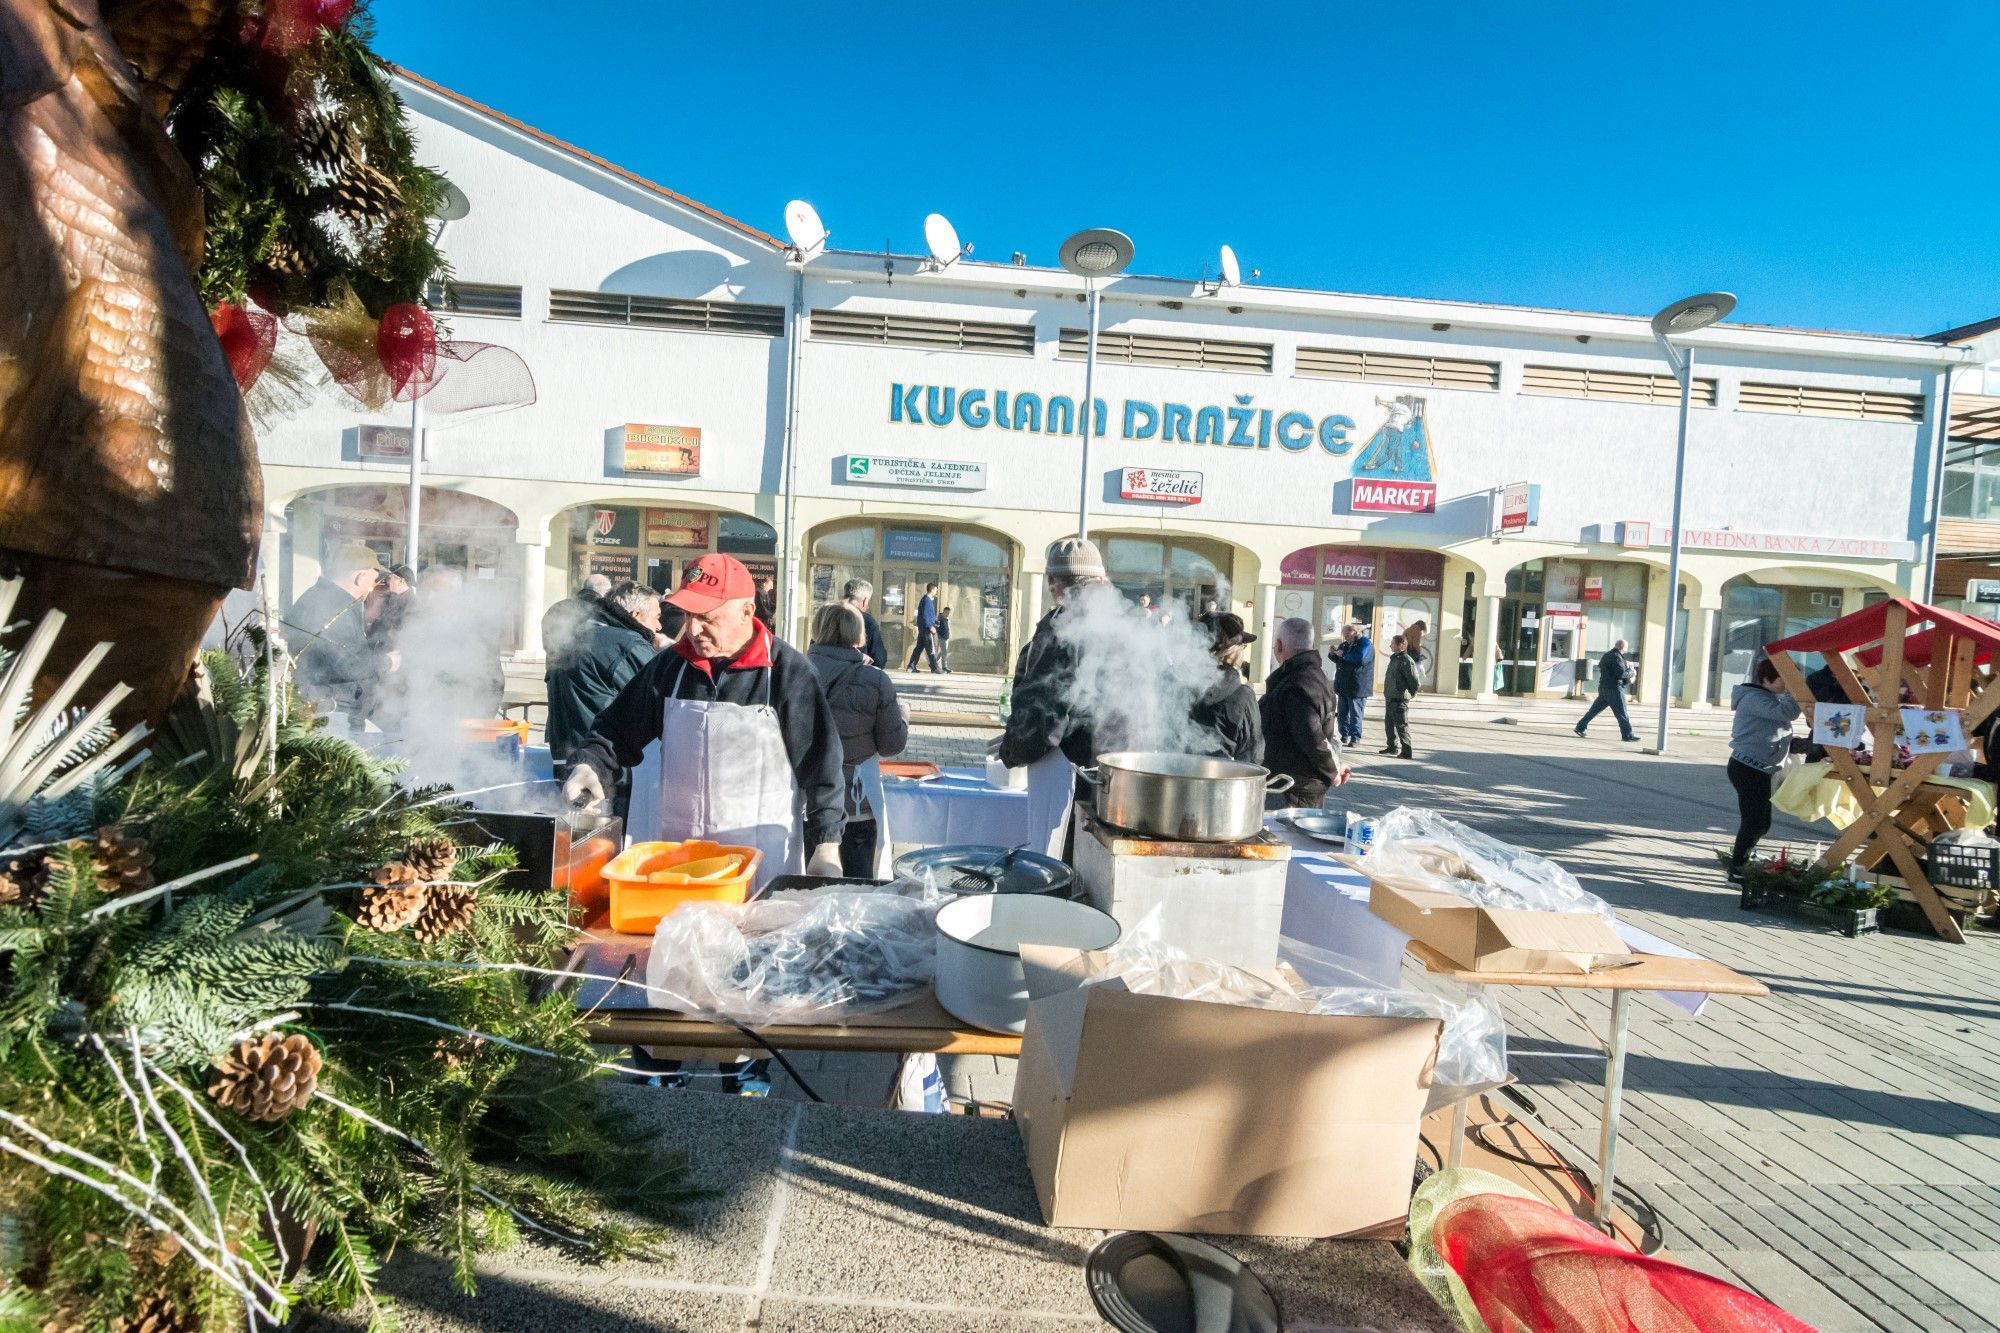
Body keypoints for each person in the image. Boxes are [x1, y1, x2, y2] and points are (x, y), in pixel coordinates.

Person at [563, 553, 846, 883]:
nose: (693, 629)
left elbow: (823, 767)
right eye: (687, 615)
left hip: (763, 864)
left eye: (707, 617)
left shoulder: (788, 673)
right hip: (678, 862)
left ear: (746, 611)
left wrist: (826, 846)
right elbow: (616, 731)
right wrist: (589, 765)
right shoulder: (670, 667)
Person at [998, 539, 1109, 855]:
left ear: (1053, 583)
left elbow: (1045, 709)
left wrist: (1015, 747)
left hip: (1066, 759)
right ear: (1101, 582)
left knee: (1054, 856)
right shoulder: (1125, 624)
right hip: (1112, 765)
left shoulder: (1063, 628)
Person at [807, 604, 910, 877]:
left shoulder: (796, 672)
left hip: (807, 801)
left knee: (804, 889)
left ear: (818, 629)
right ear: (859, 634)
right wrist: (903, 714)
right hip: (857, 802)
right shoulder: (875, 679)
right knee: (857, 887)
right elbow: (891, 745)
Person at [544, 581, 661, 765]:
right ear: (636, 615)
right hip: (604, 763)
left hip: (564, 758)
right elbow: (662, 699)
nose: (659, 626)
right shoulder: (628, 645)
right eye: (657, 617)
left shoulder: (573, 637)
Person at [285, 542, 395, 719]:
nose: (373, 586)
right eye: (373, 580)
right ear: (360, 576)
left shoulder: (324, 598)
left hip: (328, 705)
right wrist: (387, 661)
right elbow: (348, 666)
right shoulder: (332, 607)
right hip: (330, 711)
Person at [1726, 657, 1803, 881]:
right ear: (1767, 680)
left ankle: (1744, 860)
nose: (1789, 685)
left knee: (1761, 823)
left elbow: (1774, 729)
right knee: (1754, 822)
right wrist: (1793, 689)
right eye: (1785, 679)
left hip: (1758, 768)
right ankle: (1738, 868)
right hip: (1748, 768)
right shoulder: (1753, 698)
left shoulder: (1764, 698)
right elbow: (1787, 713)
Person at [1261, 616, 1350, 807]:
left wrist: (1332, 771)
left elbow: (1313, 736)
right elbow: (1331, 731)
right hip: (1297, 786)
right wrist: (1334, 766)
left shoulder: (1296, 685)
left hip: (1292, 790)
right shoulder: (1316, 677)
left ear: (1279, 645)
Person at [1190, 613, 1262, 762]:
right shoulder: (1242, 696)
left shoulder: (1174, 686)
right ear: (1232, 651)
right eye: (1243, 645)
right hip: (1220, 780)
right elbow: (1253, 756)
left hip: (1172, 778)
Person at [1575, 638, 1638, 742]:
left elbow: (1603, 667)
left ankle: (1580, 727)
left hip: (1604, 687)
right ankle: (1627, 735)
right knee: (1622, 713)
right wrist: (1632, 672)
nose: (1627, 649)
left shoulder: (1607, 655)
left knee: (1594, 710)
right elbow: (1621, 674)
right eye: (1626, 647)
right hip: (1614, 689)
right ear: (1622, 647)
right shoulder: (1617, 657)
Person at [543, 573, 612, 662]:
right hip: (588, 669)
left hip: (555, 669)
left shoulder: (557, 607)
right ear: (606, 592)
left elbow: (547, 639)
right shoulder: (604, 611)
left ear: (584, 587)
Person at [1328, 621, 1375, 747]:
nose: (1345, 638)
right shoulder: (1345, 644)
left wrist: (1343, 654)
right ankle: (1344, 735)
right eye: (1344, 635)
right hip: (1343, 684)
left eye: (1347, 635)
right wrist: (1333, 654)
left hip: (1357, 685)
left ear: (1354, 633)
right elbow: (1340, 660)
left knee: (1356, 713)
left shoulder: (1365, 643)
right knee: (1342, 713)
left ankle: (1355, 738)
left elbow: (1359, 658)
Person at [1382, 633, 1419, 759]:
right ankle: (1392, 747)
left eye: (1392, 643)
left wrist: (1413, 692)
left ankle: (1406, 751)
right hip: (1390, 696)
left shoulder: (1406, 661)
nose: (1390, 645)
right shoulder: (1395, 659)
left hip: (1399, 698)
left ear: (1401, 645)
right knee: (1389, 724)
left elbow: (1414, 680)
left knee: (1402, 725)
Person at [842, 578, 890, 667]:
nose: (867, 607)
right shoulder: (866, 621)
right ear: (865, 601)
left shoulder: (826, 615)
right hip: (853, 676)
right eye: (868, 602)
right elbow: (879, 659)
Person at [906, 582, 941, 671]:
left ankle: (911, 666)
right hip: (926, 630)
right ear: (932, 590)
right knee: (931, 648)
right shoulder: (927, 601)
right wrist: (930, 626)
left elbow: (926, 615)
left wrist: (935, 621)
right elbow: (925, 615)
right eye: (936, 590)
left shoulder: (925, 600)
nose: (936, 592)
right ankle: (935, 668)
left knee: (919, 648)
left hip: (923, 629)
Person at [935, 604, 953, 673]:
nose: (947, 614)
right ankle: (944, 667)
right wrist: (941, 635)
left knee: (942, 652)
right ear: (943, 612)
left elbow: (948, 628)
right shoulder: (940, 618)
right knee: (944, 652)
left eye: (948, 613)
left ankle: (933, 662)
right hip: (942, 637)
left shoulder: (947, 619)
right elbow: (937, 627)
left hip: (946, 637)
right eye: (946, 613)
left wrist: (949, 635)